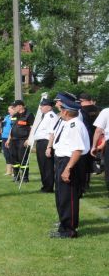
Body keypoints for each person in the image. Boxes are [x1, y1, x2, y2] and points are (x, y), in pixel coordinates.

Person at [50, 99, 90, 238]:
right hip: (63, 160)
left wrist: (67, 169)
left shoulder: (75, 125)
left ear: (66, 112)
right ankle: (64, 225)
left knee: (68, 197)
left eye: (61, 109)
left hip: (69, 162)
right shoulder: (68, 123)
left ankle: (69, 230)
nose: (59, 112)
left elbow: (77, 150)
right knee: (61, 196)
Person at [31, 98, 58, 193]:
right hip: (41, 143)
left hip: (46, 143)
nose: (40, 107)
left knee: (47, 166)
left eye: (43, 106)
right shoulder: (46, 116)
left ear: (49, 107)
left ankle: (48, 187)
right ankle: (45, 186)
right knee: (42, 165)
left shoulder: (51, 116)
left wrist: (49, 147)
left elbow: (52, 133)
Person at [6, 99, 33, 183]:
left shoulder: (29, 115)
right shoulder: (15, 115)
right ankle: (16, 176)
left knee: (23, 158)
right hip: (13, 140)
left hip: (23, 140)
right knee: (14, 159)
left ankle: (25, 178)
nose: (13, 108)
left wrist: (29, 139)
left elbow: (32, 128)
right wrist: (8, 139)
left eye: (15, 106)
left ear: (20, 106)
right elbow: (12, 128)